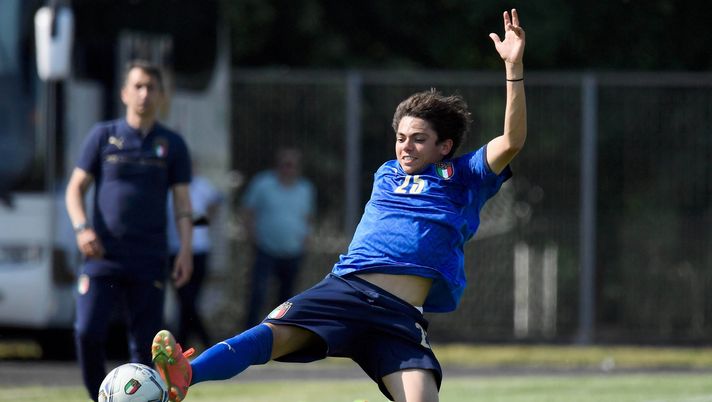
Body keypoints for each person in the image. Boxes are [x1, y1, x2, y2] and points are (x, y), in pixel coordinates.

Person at [151, 9, 526, 402]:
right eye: (400, 137)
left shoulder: (465, 176)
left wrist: (513, 69)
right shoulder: (387, 173)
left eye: (418, 138)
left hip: (398, 317)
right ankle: (186, 375)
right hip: (346, 292)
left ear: (444, 146)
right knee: (266, 338)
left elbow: (512, 140)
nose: (405, 146)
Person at [65, 60, 194, 402]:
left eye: (151, 87)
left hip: (149, 258)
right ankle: (100, 397)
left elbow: (183, 203)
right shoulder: (103, 136)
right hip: (102, 257)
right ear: (124, 93)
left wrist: (184, 249)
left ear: (161, 95)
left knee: (145, 344)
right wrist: (82, 228)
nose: (144, 93)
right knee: (87, 331)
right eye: (137, 86)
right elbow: (75, 188)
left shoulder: (172, 144)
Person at [241, 147, 316, 329]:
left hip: (293, 252)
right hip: (265, 249)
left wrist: (307, 238)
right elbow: (247, 211)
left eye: (292, 165)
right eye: (285, 164)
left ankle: (280, 335)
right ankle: (249, 333)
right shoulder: (262, 183)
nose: (288, 169)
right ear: (277, 165)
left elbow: (309, 217)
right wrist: (252, 237)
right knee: (258, 294)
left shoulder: (306, 189)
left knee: (287, 300)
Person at [166, 164, 224, 348]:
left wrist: (202, 221)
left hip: (199, 250)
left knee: (188, 301)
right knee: (185, 300)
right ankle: (205, 342)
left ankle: (182, 344)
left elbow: (217, 201)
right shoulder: (169, 188)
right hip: (175, 251)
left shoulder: (201, 185)